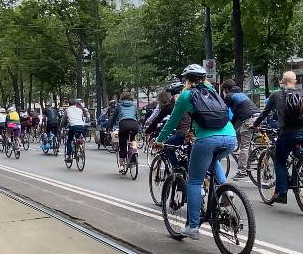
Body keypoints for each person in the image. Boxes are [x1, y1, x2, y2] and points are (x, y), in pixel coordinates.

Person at [155, 64, 237, 239]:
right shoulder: (214, 92)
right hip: (230, 138)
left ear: (187, 80)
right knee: (213, 161)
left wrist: (159, 141)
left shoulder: (185, 95)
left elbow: (172, 122)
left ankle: (192, 227)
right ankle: (225, 190)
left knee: (194, 181)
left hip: (207, 140)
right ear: (204, 78)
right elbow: (228, 116)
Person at [251, 71, 303, 204]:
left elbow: (265, 113)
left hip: (288, 132)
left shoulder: (276, 95)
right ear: (295, 81)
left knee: (280, 160)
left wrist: (255, 125)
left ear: (282, 81)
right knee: (302, 155)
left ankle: (282, 193)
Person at [221, 79, 260, 180]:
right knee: (236, 134)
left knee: (244, 146)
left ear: (226, 89)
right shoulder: (240, 93)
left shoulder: (229, 96)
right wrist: (232, 124)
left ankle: (242, 171)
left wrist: (223, 124)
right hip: (257, 117)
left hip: (249, 120)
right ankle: (252, 157)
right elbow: (237, 112)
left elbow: (223, 111)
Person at [108, 92, 140, 172]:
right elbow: (138, 117)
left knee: (122, 142)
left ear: (121, 98)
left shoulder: (119, 106)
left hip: (124, 124)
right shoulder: (134, 106)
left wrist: (110, 128)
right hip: (134, 124)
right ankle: (134, 150)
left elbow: (113, 118)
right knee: (133, 138)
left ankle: (122, 165)